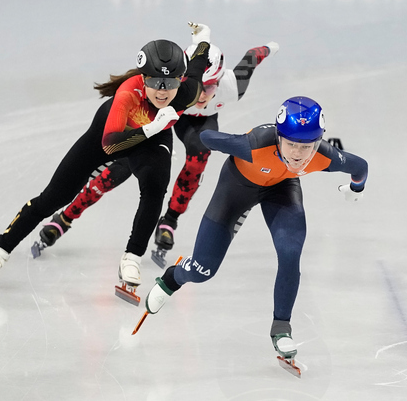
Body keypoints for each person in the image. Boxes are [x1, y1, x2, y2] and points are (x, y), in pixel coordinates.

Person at [0, 23, 214, 293]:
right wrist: (153, 126)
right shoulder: (126, 95)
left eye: (170, 83)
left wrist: (202, 37)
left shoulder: (186, 90)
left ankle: (132, 258)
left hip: (152, 141)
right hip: (110, 137)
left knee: (155, 187)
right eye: (155, 82)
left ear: (180, 80)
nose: (162, 90)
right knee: (53, 198)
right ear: (143, 78)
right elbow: (110, 147)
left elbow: (198, 62)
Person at [141, 96, 368, 367]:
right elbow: (209, 137)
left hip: (282, 190)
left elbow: (360, 167)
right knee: (202, 271)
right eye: (291, 144)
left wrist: (356, 190)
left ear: (318, 143)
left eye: (306, 147)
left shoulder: (324, 156)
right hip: (236, 189)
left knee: (290, 254)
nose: (297, 154)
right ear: (278, 137)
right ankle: (172, 279)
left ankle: (281, 326)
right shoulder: (254, 145)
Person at [34, 37, 280, 264]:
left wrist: (270, 47)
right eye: (199, 86)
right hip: (164, 115)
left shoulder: (233, 86)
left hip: (193, 122)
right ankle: (67, 215)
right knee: (121, 168)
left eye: (211, 87)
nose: (202, 95)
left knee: (200, 153)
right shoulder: (173, 88)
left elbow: (252, 57)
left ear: (220, 80)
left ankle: (170, 220)